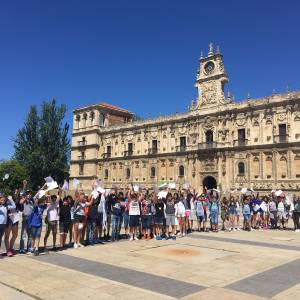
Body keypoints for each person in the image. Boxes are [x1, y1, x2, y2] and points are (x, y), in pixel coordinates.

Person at [19, 181, 34, 254]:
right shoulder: (24, 200)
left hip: (31, 218)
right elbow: (23, 194)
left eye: (30, 194)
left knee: (30, 234)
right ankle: (22, 248)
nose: (29, 195)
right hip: (25, 218)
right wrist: (24, 185)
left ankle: (29, 248)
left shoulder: (32, 201)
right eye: (28, 194)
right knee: (23, 234)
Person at [0, 192, 15, 258]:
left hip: (3, 225)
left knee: (0, 238)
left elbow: (14, 206)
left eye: (4, 200)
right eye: (1, 200)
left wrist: (11, 199)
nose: (3, 201)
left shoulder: (6, 206)